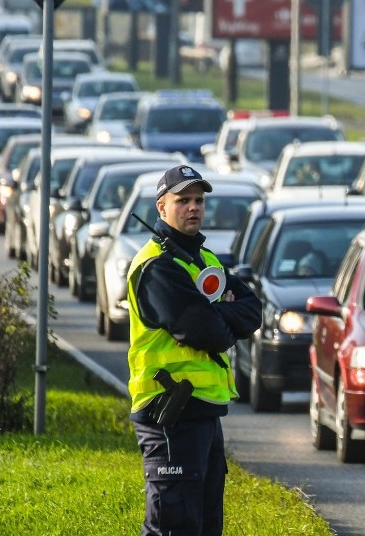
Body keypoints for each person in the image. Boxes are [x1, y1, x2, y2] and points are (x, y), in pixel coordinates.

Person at [126, 165, 262, 536]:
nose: (193, 208)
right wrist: (221, 316)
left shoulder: (203, 260)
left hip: (201, 410)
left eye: (199, 200)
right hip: (168, 410)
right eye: (182, 200)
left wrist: (217, 314)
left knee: (204, 526)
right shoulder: (157, 265)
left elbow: (253, 312)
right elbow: (206, 331)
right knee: (173, 527)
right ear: (161, 207)